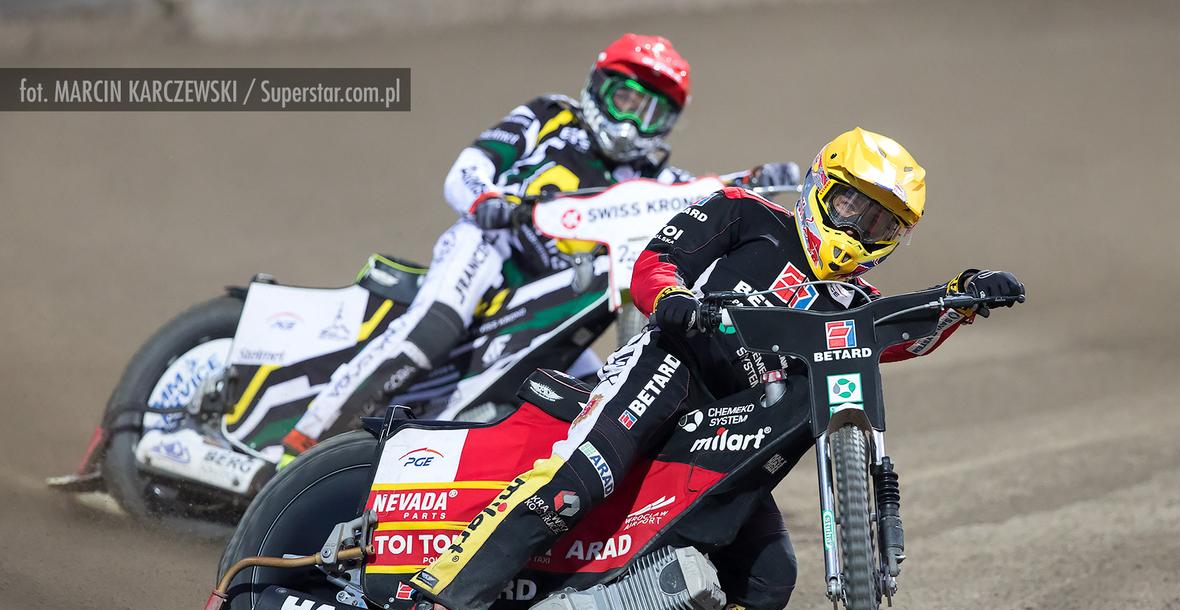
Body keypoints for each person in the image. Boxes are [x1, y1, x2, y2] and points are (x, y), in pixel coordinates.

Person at [392, 126, 1024, 610]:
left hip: (731, 430)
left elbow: (903, 337)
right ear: (819, 186)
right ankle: (438, 609)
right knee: (579, 480)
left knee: (768, 584)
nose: (861, 230)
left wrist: (962, 299)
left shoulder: (853, 302)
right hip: (671, 368)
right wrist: (672, 298)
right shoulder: (748, 214)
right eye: (854, 206)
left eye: (882, 225)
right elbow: (655, 262)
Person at [278, 33, 799, 460]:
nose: (631, 123)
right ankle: (302, 442)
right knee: (431, 330)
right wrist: (487, 200)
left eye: (651, 113)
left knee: (590, 391)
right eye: (625, 100)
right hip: (494, 247)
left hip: (557, 301)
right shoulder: (550, 116)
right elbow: (469, 167)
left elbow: (703, 198)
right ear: (598, 87)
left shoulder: (655, 180)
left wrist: (755, 181)